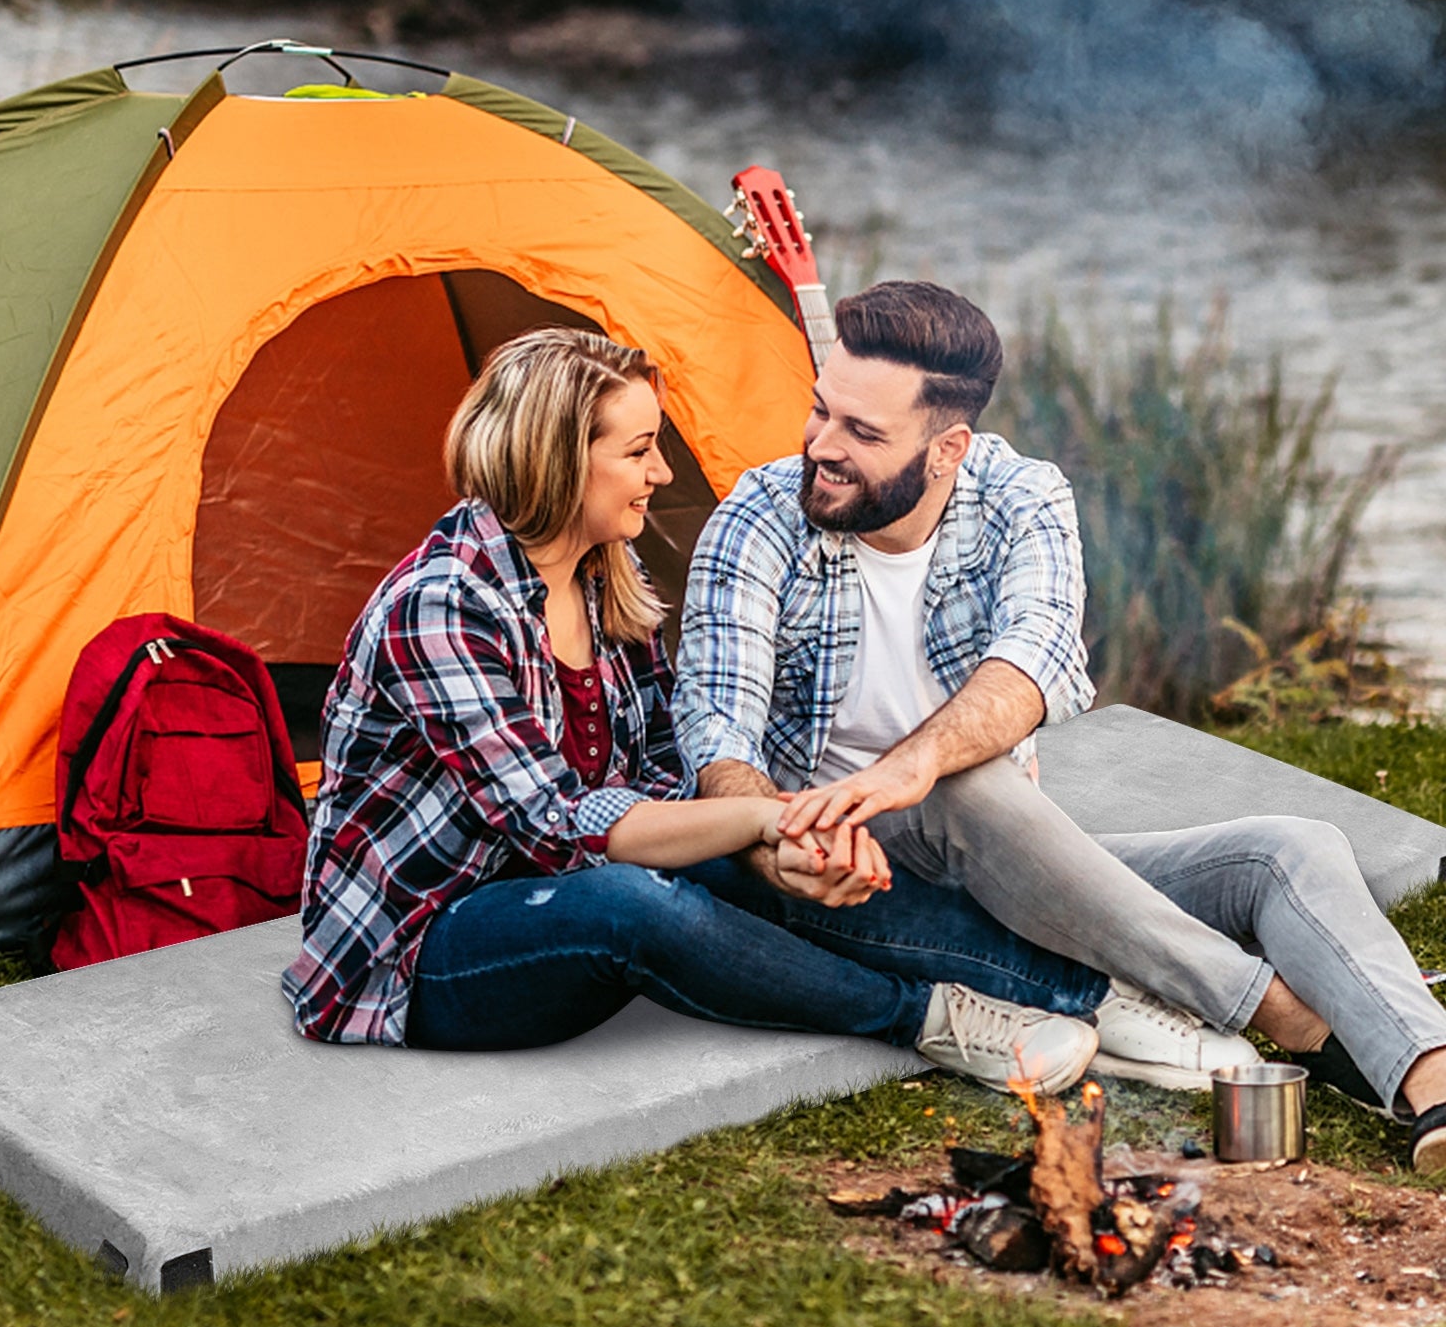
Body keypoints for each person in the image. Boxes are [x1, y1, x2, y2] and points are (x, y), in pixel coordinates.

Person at [673, 279, 1446, 1172]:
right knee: (970, 784)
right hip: (851, 872)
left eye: (863, 433)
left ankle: (1432, 1083)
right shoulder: (760, 516)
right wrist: (770, 836)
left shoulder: (1023, 498)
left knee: (1290, 849)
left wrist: (908, 766)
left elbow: (1036, 664)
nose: (822, 448)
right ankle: (1280, 1011)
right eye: (821, 414)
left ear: (947, 448)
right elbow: (715, 727)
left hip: (1014, 853)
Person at [283, 326, 1109, 1093]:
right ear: (560, 461)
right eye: (640, 450)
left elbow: (659, 773)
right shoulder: (443, 606)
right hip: (419, 955)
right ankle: (926, 1019)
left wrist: (783, 839)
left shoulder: (605, 572)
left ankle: (1082, 990)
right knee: (637, 900)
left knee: (751, 858)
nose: (663, 474)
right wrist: (761, 824)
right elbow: (553, 827)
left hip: (565, 885)